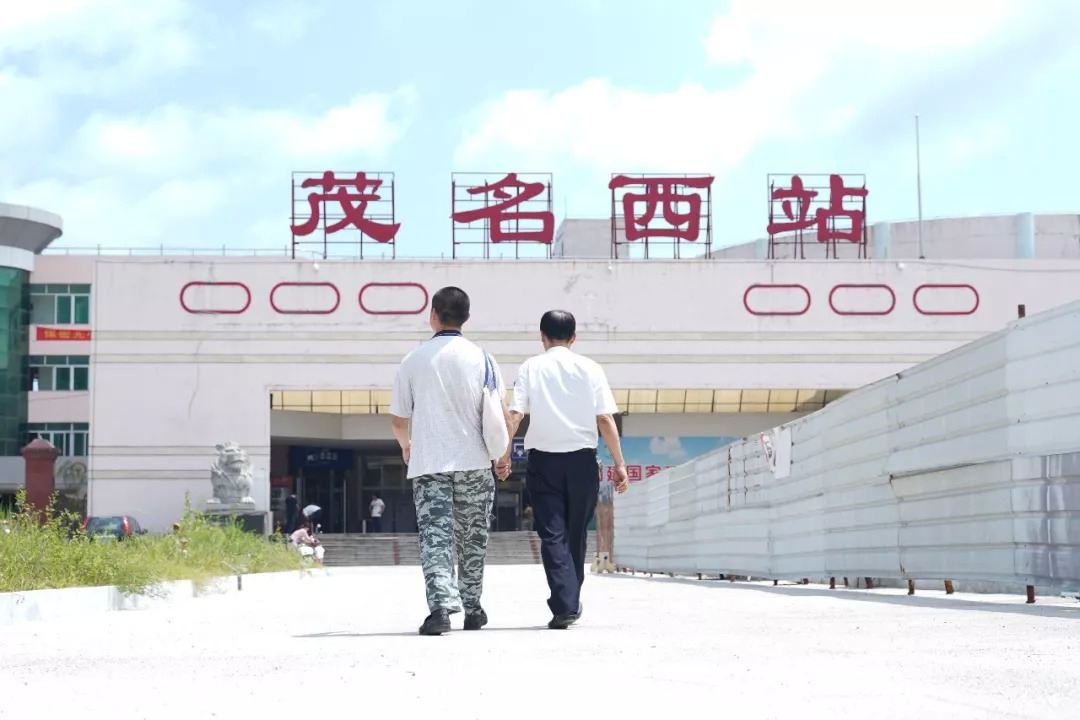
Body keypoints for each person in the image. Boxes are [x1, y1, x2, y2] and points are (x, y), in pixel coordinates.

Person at [390, 286, 512, 636]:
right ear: (467, 318)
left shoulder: (412, 361)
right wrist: (502, 457)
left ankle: (440, 609)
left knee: (435, 537)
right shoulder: (484, 359)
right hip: (474, 463)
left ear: (432, 314)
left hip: (429, 465)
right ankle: (473, 609)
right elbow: (501, 415)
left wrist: (406, 446)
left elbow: (398, 419)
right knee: (473, 538)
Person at [500, 309, 629, 629]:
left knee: (552, 533)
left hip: (543, 463)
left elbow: (515, 415)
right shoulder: (591, 368)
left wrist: (504, 455)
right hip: (583, 462)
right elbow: (604, 419)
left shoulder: (530, 366)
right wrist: (619, 463)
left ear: (542, 337)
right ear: (574, 337)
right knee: (575, 533)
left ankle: (566, 602)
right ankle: (568, 601)